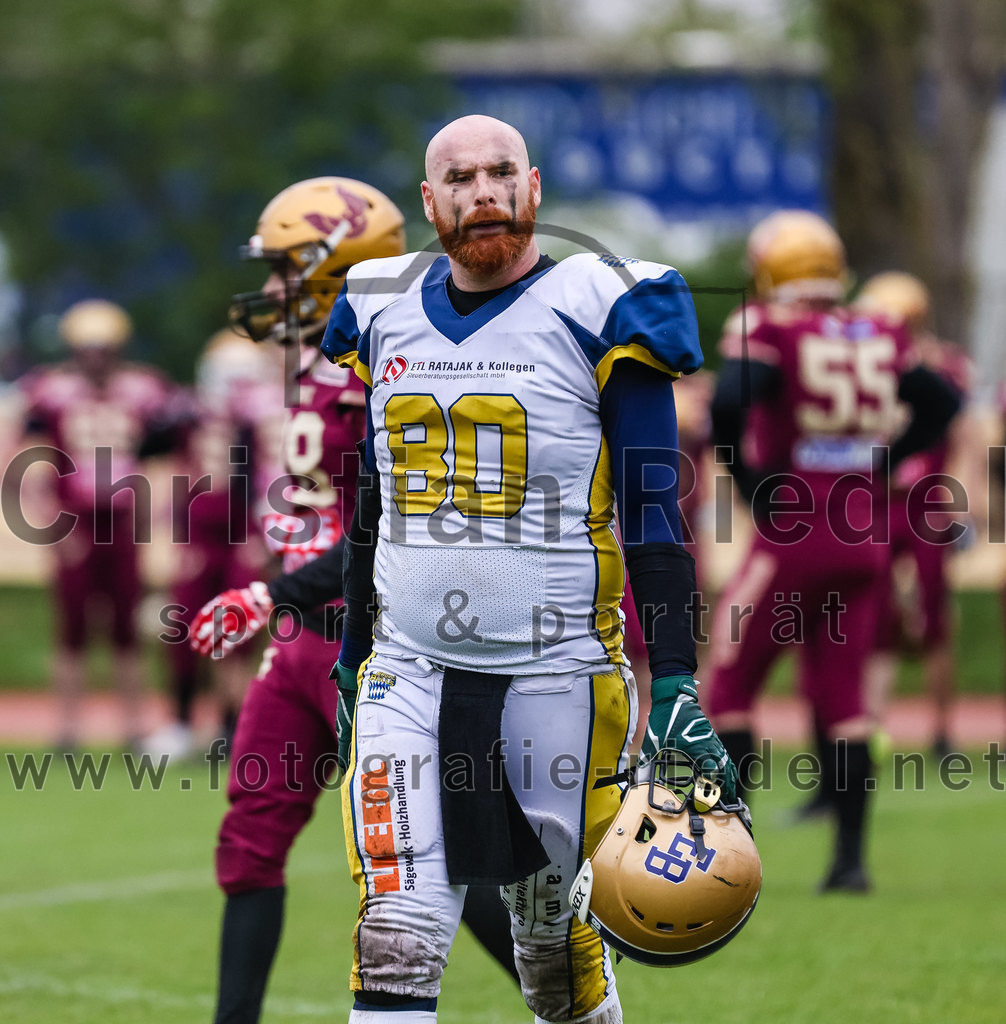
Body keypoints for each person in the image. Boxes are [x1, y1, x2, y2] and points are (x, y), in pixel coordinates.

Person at [321, 114, 736, 1024]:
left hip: (560, 674)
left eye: (500, 173)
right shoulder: (380, 302)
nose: (482, 194)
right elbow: (372, 498)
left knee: (550, 938)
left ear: (533, 188)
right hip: (410, 668)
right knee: (398, 923)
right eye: (459, 179)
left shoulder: (601, 301)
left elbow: (653, 510)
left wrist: (673, 676)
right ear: (428, 202)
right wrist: (351, 652)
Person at [187, 177, 519, 1024]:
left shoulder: (394, 371)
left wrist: (269, 589)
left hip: (377, 647)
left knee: (431, 854)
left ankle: (566, 996)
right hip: (300, 643)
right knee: (249, 843)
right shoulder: (306, 368)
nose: (268, 293)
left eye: (283, 272)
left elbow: (389, 530)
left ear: (337, 273)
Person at [705, 212, 961, 891]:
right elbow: (942, 401)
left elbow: (728, 402)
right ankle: (849, 863)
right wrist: (881, 463)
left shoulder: (770, 325)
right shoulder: (879, 327)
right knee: (847, 700)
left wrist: (753, 481)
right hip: (863, 534)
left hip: (795, 530)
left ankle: (735, 856)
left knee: (728, 682)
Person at [20, 299, 174, 749]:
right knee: (71, 630)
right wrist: (50, 522)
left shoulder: (144, 390)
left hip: (123, 518)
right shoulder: (51, 391)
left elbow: (165, 458)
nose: (96, 359)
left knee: (127, 628)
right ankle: (66, 730)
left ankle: (133, 729)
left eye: (104, 349)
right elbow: (25, 458)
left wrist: (153, 515)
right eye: (88, 349)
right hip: (76, 521)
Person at [144, 328, 284, 760]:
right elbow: (153, 448)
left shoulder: (257, 420)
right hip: (201, 536)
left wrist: (261, 536)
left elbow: (262, 478)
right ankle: (183, 721)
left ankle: (230, 727)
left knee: (237, 630)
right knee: (183, 626)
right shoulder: (187, 414)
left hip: (241, 533)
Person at [854, 272, 972, 759]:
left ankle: (942, 730)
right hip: (878, 502)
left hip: (924, 503)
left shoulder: (944, 365)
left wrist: (957, 499)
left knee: (935, 616)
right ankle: (869, 726)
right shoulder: (865, 363)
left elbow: (964, 433)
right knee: (874, 617)